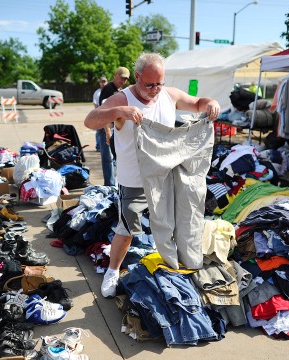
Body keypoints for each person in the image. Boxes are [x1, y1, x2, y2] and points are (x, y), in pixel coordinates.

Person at [84, 52, 220, 298]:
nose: (156, 89)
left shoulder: (169, 96)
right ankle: (112, 271)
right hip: (133, 181)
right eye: (150, 84)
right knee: (127, 229)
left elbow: (198, 102)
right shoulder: (121, 98)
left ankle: (177, 266)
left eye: (160, 83)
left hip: (165, 176)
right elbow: (90, 121)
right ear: (136, 77)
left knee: (176, 223)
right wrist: (120, 112)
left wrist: (210, 103)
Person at [96, 67, 130, 187]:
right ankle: (109, 186)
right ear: (115, 75)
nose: (123, 81)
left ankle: (115, 183)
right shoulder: (108, 89)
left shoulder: (118, 89)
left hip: (113, 127)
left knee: (115, 157)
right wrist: (108, 132)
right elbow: (104, 112)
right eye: (122, 78)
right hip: (105, 127)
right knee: (108, 158)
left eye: (126, 79)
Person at [93, 76, 107, 151]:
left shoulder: (108, 91)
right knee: (99, 131)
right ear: (99, 83)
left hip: (107, 114)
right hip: (100, 113)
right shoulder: (97, 93)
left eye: (104, 81)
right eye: (102, 82)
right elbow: (96, 104)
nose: (103, 83)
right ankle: (98, 146)